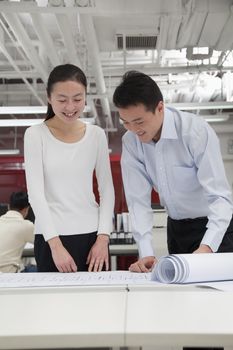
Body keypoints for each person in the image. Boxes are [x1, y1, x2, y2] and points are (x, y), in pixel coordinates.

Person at [113, 70, 233, 273]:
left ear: (160, 107)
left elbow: (220, 198)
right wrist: (146, 252)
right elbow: (138, 201)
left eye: (139, 121)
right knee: (179, 295)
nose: (133, 129)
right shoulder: (131, 141)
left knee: (218, 298)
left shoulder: (194, 132)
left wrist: (207, 247)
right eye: (126, 122)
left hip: (213, 228)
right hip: (176, 229)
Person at [24, 63, 115, 273]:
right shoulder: (35, 135)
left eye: (77, 99)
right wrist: (55, 246)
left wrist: (103, 238)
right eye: (62, 100)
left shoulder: (96, 135)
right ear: (49, 98)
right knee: (55, 304)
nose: (70, 107)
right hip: (51, 239)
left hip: (93, 240)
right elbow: (36, 195)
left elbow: (107, 190)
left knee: (98, 303)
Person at [0, 191, 35, 273]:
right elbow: (42, 243)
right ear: (26, 209)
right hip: (10, 272)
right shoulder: (26, 225)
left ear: (8, 206)